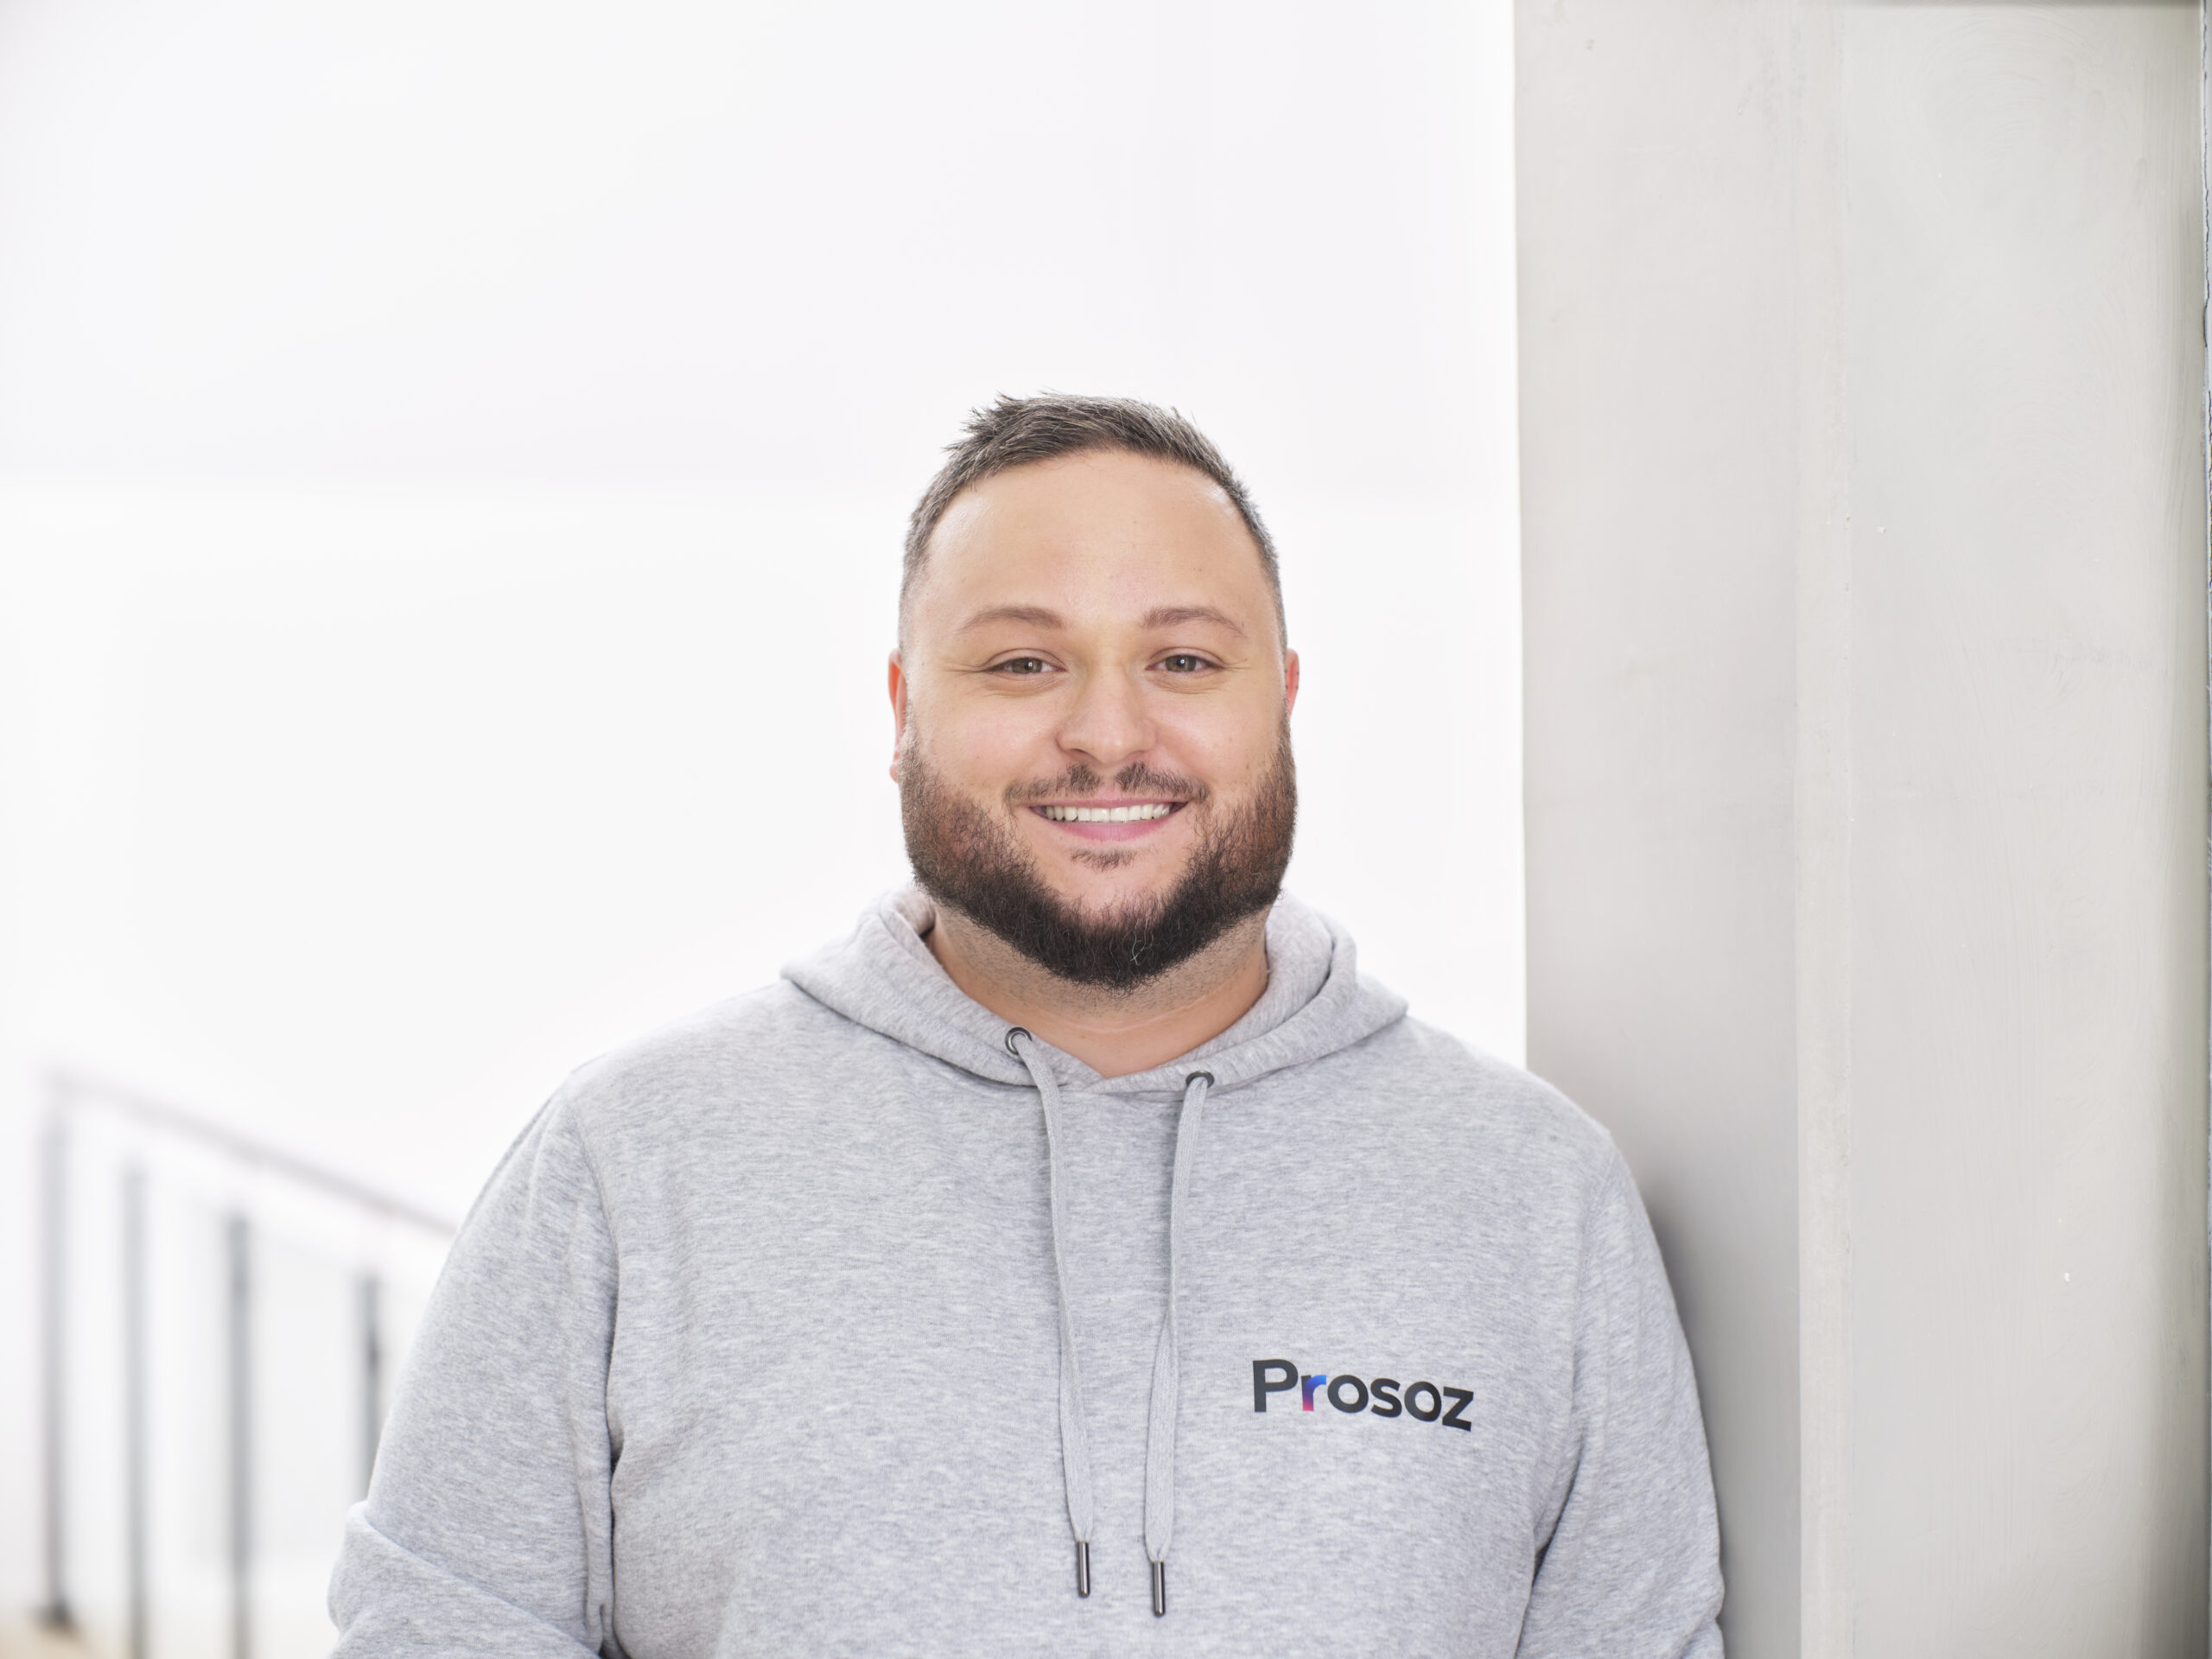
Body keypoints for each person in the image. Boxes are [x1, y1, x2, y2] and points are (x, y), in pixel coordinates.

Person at [329, 395, 1725, 1656]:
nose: (1108, 734)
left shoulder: (1534, 1196)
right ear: (902, 711)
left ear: (1285, 701)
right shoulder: (628, 1166)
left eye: (1185, 659)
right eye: (1020, 664)